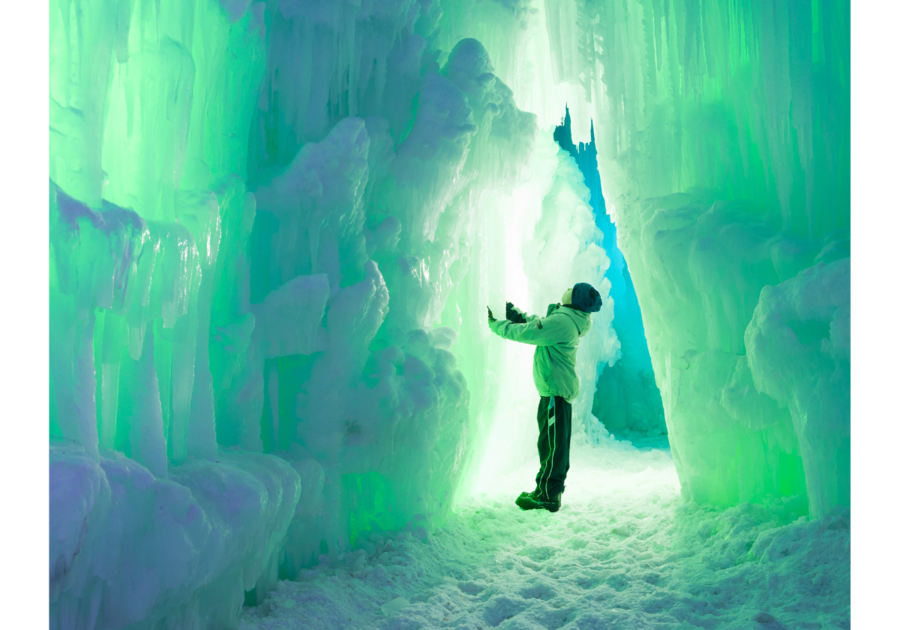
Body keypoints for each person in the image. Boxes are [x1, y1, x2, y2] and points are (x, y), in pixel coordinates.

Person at [487, 283, 603, 513]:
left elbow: (531, 332)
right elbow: (540, 324)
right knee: (553, 444)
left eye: (571, 289)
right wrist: (518, 316)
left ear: (574, 298)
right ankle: (547, 491)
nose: (567, 288)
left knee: (552, 446)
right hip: (556, 391)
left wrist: (496, 325)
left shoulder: (563, 322)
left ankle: (548, 496)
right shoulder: (568, 319)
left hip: (555, 393)